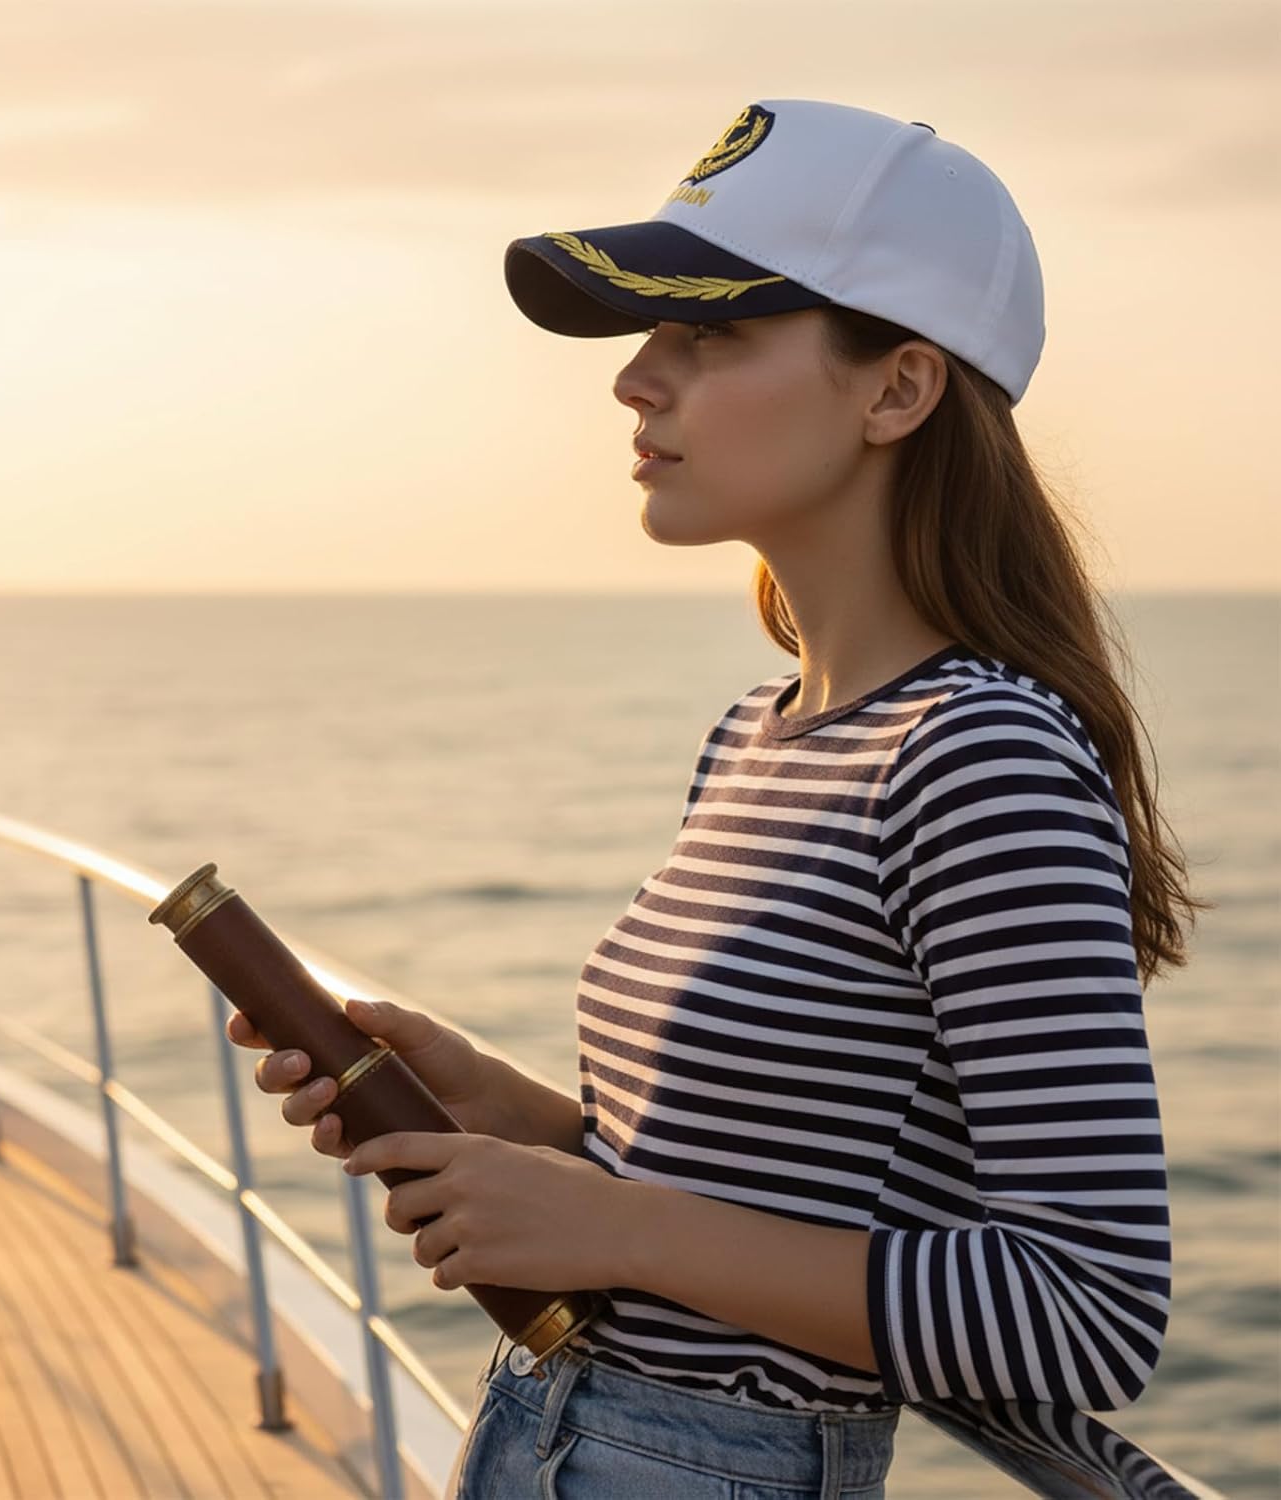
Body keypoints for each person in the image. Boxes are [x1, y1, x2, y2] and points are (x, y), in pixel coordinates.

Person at [231, 100, 1214, 1500]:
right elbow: (770, 1191)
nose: (636, 380)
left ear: (898, 390)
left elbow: (1087, 1309)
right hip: (550, 1435)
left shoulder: (978, 759)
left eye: (708, 335)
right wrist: (525, 1127)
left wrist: (611, 1229)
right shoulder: (763, 732)